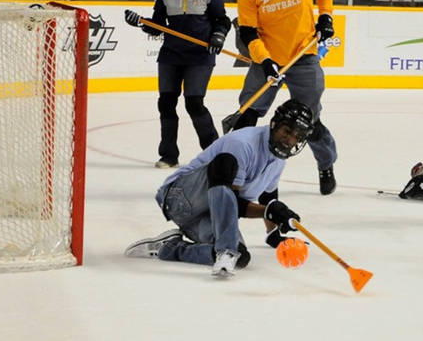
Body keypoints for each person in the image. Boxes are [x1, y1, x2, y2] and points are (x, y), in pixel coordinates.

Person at [123, 99, 313, 278]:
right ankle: (226, 251)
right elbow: (233, 201)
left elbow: (268, 198)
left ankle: (168, 248)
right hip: (180, 198)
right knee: (225, 162)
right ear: (274, 124)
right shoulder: (243, 143)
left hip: (210, 212)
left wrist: (274, 230)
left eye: (297, 137)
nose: (290, 140)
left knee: (240, 256)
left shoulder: (278, 159)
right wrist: (269, 212)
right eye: (287, 131)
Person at [229, 0, 338, 195]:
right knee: (247, 112)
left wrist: (326, 16)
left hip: (303, 57)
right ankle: (233, 167)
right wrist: (265, 61)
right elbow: (248, 32)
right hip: (267, 61)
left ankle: (326, 164)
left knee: (309, 121)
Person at [124, 0, 231, 168]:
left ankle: (213, 153)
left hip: (200, 57)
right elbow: (157, 27)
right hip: (171, 56)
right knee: (166, 103)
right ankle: (169, 155)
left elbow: (222, 21)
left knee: (194, 104)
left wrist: (218, 36)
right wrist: (141, 22)